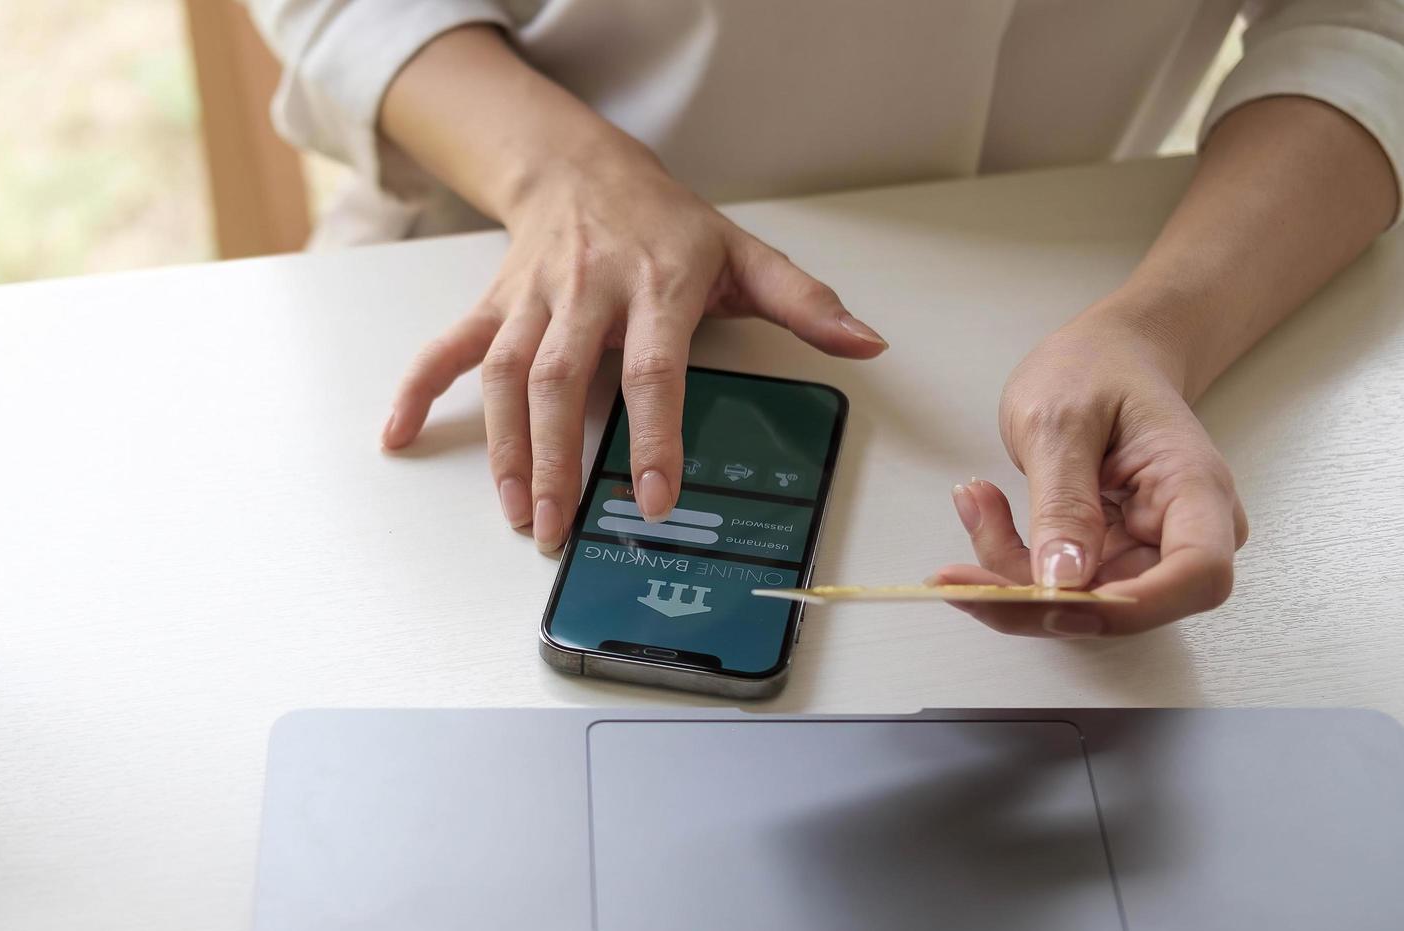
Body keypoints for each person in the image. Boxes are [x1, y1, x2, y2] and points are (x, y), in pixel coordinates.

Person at [244, 0, 1402, 637]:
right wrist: (562, 176)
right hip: (501, 297)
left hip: (1017, 330)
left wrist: (1164, 325)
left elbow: (1364, 26)